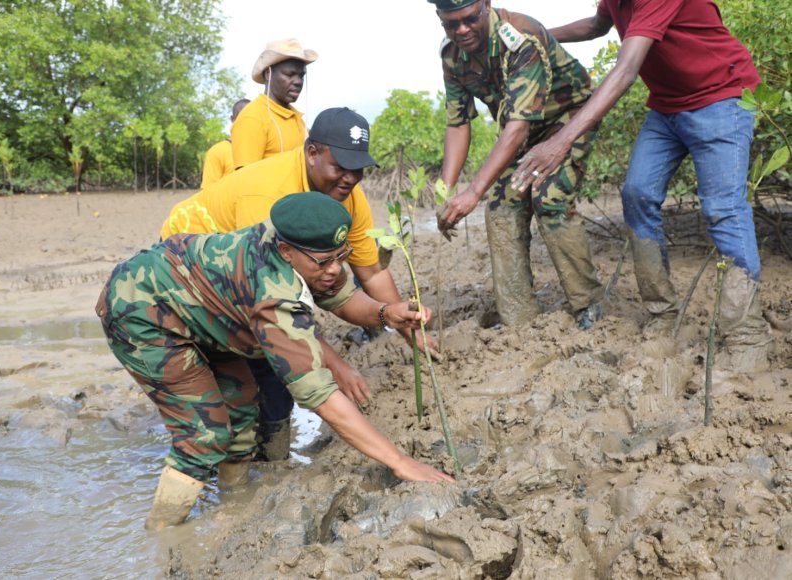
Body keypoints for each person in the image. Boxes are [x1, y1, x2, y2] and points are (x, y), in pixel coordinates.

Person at [97, 192, 454, 530]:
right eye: (324, 262)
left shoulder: (303, 241)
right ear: (285, 251)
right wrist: (400, 462)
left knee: (241, 405)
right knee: (204, 435)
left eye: (340, 257)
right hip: (141, 310)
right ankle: (163, 532)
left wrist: (385, 313)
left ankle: (231, 505)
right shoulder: (275, 295)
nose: (334, 269)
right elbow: (319, 396)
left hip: (202, 309)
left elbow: (341, 295)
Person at [510, 0, 773, 370]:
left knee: (723, 209)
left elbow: (625, 70)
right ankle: (662, 313)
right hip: (667, 108)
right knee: (637, 194)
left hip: (721, 97)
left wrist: (560, 141)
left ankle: (746, 333)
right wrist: (538, 37)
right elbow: (598, 25)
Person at [162, 107, 435, 461]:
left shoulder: (348, 195)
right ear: (312, 152)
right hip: (192, 260)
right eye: (340, 167)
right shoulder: (267, 196)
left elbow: (371, 272)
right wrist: (334, 364)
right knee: (253, 360)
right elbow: (271, 300)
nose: (350, 178)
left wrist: (407, 329)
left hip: (255, 276)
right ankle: (242, 459)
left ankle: (271, 456)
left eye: (358, 170)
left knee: (274, 369)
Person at [428, 0, 604, 331]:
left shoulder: (521, 38)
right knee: (499, 208)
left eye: (470, 19)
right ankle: (519, 317)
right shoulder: (452, 55)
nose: (462, 30)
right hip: (522, 129)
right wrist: (446, 191)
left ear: (487, 5)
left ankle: (588, 305)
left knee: (549, 198)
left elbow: (519, 126)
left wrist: (474, 190)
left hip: (569, 118)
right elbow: (458, 123)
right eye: (452, 25)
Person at [231, 38, 317, 170]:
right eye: (290, 74)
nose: (298, 81)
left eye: (301, 76)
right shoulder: (253, 118)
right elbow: (245, 182)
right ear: (268, 74)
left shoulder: (296, 118)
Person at [200, 98, 250, 189]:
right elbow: (207, 192)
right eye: (241, 117)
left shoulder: (262, 150)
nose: (246, 122)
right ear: (232, 119)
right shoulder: (218, 151)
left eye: (251, 118)